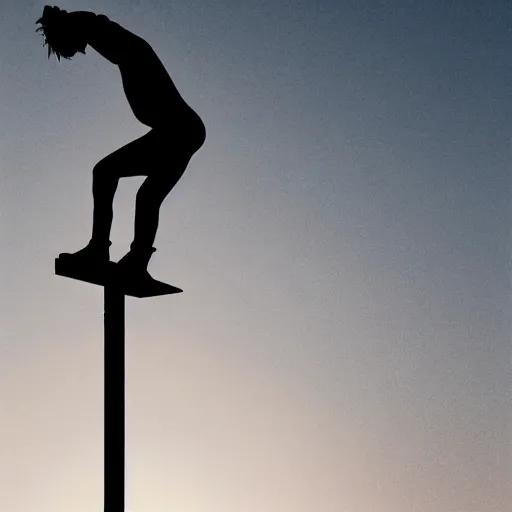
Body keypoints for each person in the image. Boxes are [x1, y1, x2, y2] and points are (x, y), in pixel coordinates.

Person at [36, 5, 206, 279]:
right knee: (148, 197)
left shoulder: (126, 48)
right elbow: (97, 31)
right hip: (183, 130)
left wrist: (70, 24)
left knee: (105, 172)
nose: (81, 52)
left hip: (178, 130)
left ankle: (100, 250)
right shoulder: (125, 51)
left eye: (76, 46)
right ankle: (136, 259)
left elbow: (98, 28)